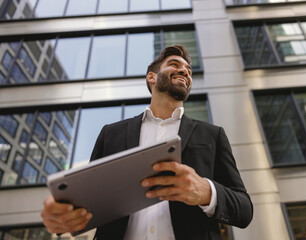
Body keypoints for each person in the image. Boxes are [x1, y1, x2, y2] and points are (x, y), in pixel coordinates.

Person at [41, 45, 253, 239]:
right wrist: (62, 215)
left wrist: (206, 192)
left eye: (188, 69)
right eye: (174, 64)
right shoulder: (111, 133)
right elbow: (86, 201)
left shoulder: (212, 135)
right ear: (151, 77)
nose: (185, 71)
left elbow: (244, 210)